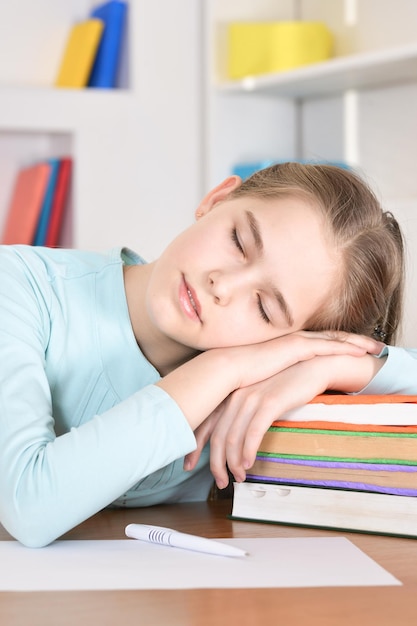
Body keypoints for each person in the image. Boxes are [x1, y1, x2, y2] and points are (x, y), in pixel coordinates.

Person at [0, 162, 411, 548]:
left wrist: (336, 365)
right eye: (238, 241)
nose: (223, 285)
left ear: (290, 341)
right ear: (216, 200)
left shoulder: (261, 387)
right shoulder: (20, 283)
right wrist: (223, 368)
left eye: (265, 308)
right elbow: (28, 506)